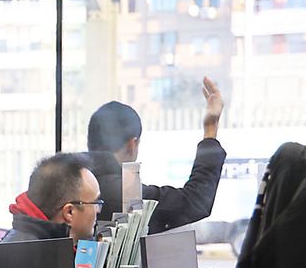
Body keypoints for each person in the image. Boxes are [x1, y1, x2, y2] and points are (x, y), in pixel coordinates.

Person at [86, 78, 227, 233]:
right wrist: (210, 130)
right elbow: (194, 201)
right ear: (132, 144)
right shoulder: (127, 195)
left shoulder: (66, 182)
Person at [3, 153, 103, 243]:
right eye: (95, 203)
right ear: (69, 212)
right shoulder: (39, 258)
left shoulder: (25, 242)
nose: (98, 210)